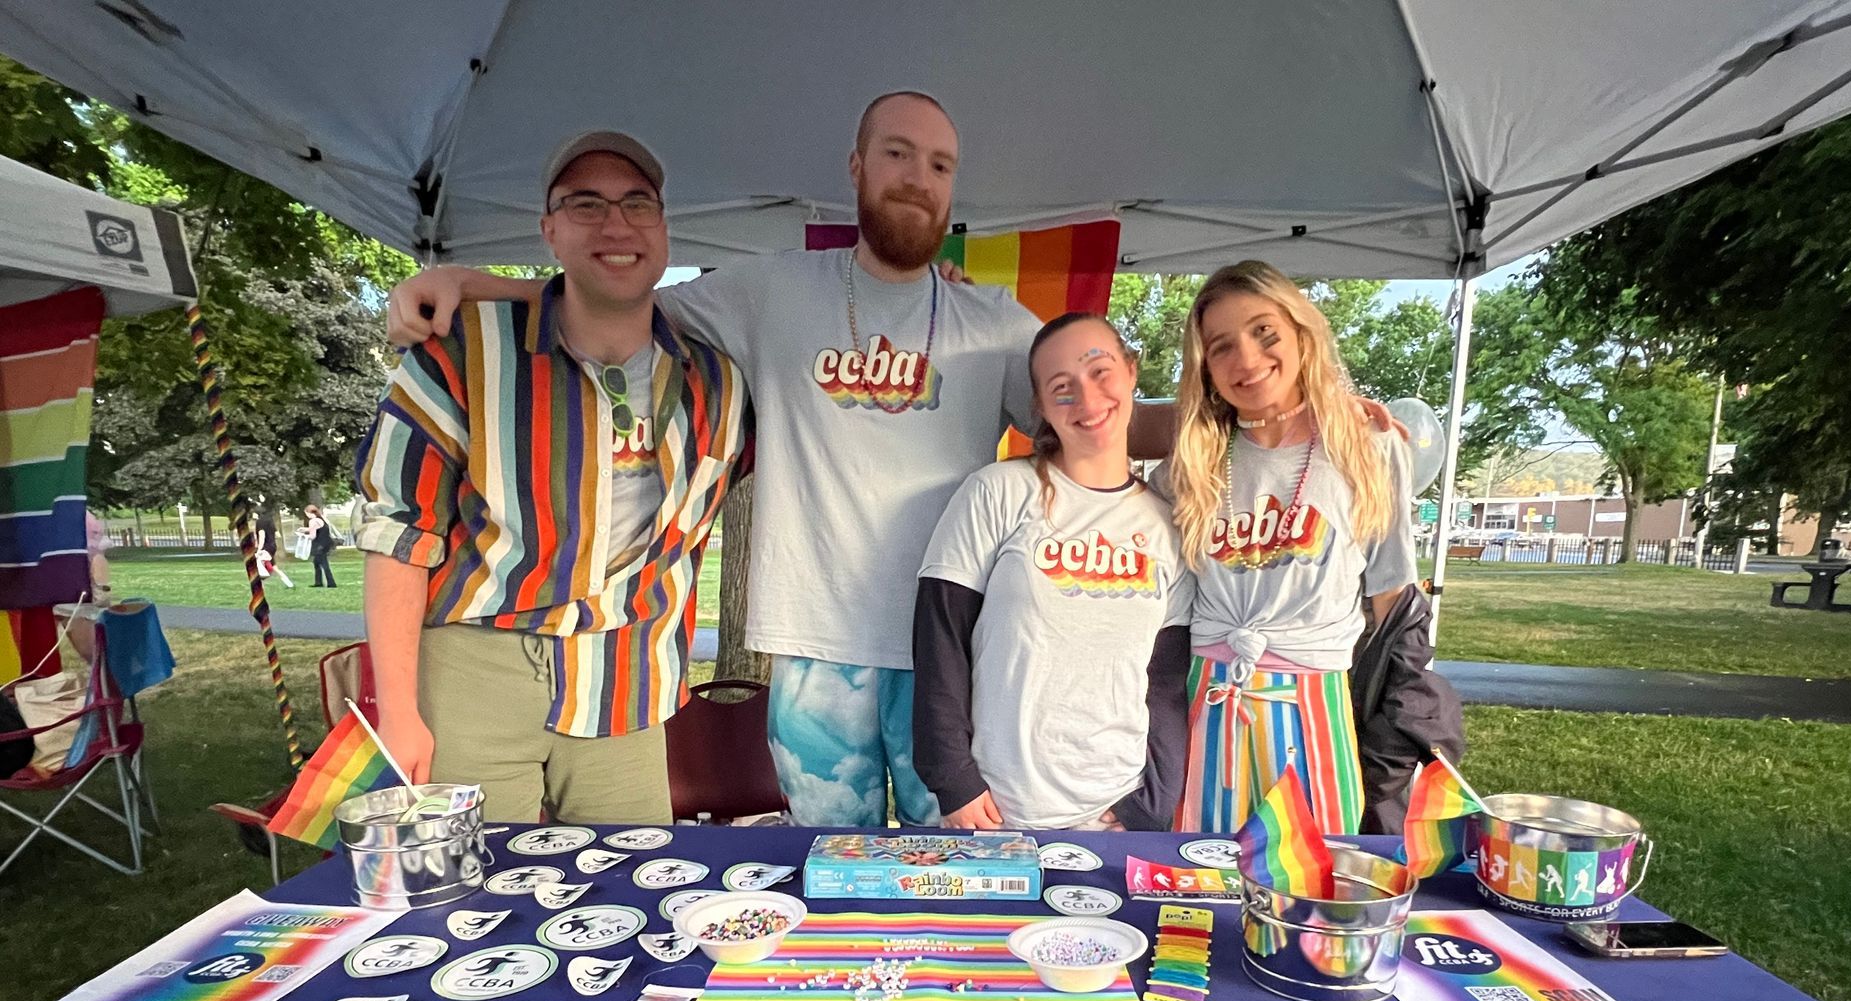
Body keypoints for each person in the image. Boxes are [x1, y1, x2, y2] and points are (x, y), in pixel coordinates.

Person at [389, 94, 1089, 827]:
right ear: (856, 167)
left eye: (939, 164)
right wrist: (467, 283)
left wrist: (1215, 415)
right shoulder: (772, 289)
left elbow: (1100, 427)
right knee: (829, 871)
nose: (918, 176)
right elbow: (613, 300)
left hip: (948, 654)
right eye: (897, 153)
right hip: (816, 649)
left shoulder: (998, 324)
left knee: (953, 868)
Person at [353, 131, 751, 824]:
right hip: (479, 662)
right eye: (586, 205)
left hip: (624, 671)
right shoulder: (463, 352)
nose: (617, 224)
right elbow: (396, 534)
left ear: (663, 228)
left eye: (638, 203)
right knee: (473, 893)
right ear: (549, 231)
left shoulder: (717, 382)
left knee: (631, 885)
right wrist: (401, 711)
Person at [1158, 261, 1416, 836]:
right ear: (1205, 370)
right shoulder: (1192, 465)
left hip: (1316, 703)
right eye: (1220, 347)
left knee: (1315, 886)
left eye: (1264, 332)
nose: (1247, 359)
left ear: (1302, 334)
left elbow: (1392, 598)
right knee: (1202, 882)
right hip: (1210, 702)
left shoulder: (1369, 447)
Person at [913, 314, 1191, 830]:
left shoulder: (1166, 523)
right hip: (994, 809)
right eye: (1062, 387)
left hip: (1115, 812)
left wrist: (1151, 802)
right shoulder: (997, 492)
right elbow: (939, 642)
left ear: (1131, 372)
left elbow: (1165, 682)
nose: (1087, 399)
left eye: (1101, 372)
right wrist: (953, 780)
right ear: (1039, 406)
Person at [301, 504, 338, 588]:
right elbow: (316, 529)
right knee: (317, 563)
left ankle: (331, 583)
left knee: (324, 564)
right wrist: (305, 530)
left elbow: (312, 535)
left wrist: (303, 536)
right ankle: (318, 582)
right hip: (326, 543)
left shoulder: (312, 521)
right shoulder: (321, 519)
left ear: (308, 513)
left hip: (319, 545)